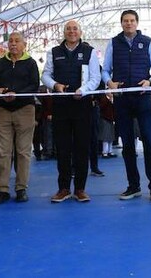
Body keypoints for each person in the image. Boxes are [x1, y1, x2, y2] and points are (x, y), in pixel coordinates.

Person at [102, 9, 151, 203]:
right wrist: (109, 83)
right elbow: (105, 70)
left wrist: (150, 81)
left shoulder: (147, 42)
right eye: (125, 21)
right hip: (122, 100)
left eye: (131, 20)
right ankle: (133, 186)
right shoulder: (113, 43)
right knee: (127, 145)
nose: (128, 24)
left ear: (137, 23)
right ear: (121, 23)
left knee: (150, 142)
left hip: (143, 99)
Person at [42, 20, 102, 203]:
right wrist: (55, 85)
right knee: (62, 148)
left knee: (82, 147)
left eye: (75, 28)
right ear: (64, 32)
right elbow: (45, 75)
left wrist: (83, 91)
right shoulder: (53, 52)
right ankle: (63, 188)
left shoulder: (89, 52)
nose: (71, 31)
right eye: (68, 29)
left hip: (82, 106)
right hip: (61, 106)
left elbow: (96, 77)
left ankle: (81, 189)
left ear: (80, 31)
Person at [0, 32, 40, 204]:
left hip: (25, 109)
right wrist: (1, 92)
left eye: (17, 41)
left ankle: (21, 188)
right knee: (3, 151)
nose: (13, 44)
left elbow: (34, 85)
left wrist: (16, 94)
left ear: (24, 44)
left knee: (23, 151)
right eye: (10, 41)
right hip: (2, 110)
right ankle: (2, 189)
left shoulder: (31, 63)